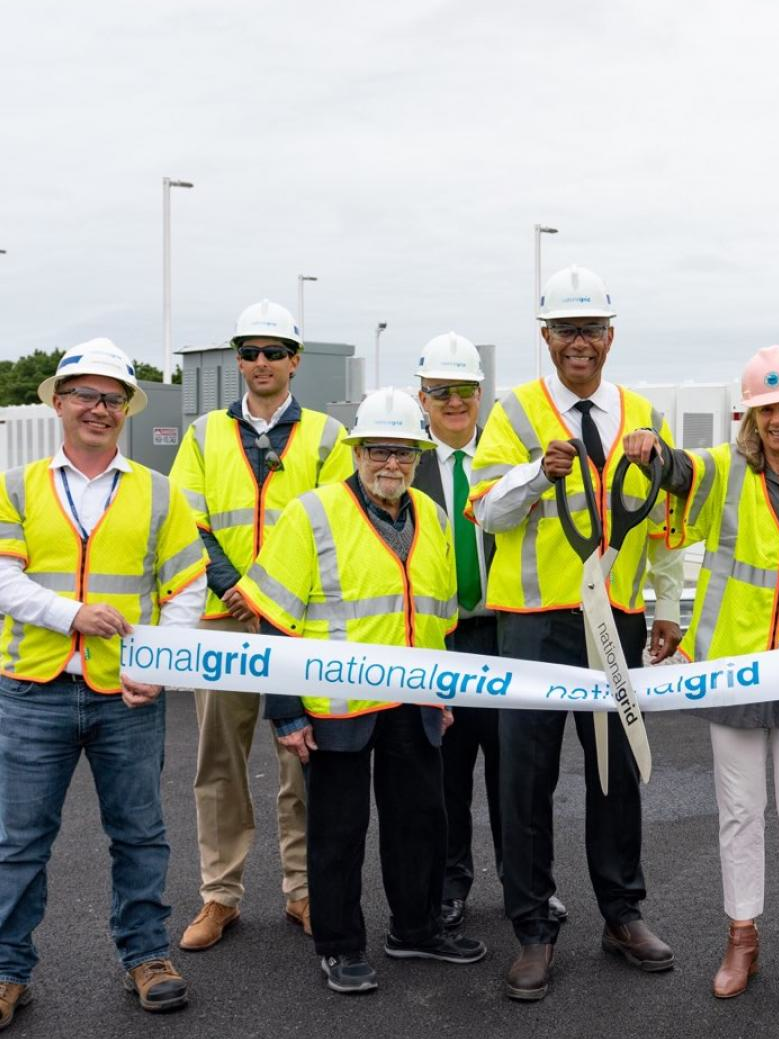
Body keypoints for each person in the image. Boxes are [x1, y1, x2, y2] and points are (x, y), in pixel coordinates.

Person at [622, 346, 779, 1002]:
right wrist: (652, 451)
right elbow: (679, 473)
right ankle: (742, 940)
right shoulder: (727, 474)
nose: (776, 420)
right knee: (739, 812)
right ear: (751, 418)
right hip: (733, 675)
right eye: (765, 410)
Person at [471, 265, 684, 1002]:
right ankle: (532, 927)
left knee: (615, 773)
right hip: (533, 626)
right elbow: (487, 513)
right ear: (546, 339)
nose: (579, 344)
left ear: (610, 337)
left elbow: (664, 527)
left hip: (615, 625)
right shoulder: (516, 412)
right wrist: (536, 472)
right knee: (524, 779)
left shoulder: (642, 414)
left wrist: (666, 607)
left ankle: (622, 913)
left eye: (591, 331)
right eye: (566, 332)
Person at [237, 388, 487, 994]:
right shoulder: (312, 513)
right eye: (379, 450)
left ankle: (416, 929)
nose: (391, 464)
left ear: (418, 456)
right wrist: (286, 711)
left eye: (403, 452)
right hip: (334, 707)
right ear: (356, 452)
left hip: (417, 701)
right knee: (338, 831)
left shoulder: (433, 515)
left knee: (421, 823)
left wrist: (443, 693)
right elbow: (275, 619)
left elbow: (437, 616)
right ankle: (340, 944)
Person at [0, 340, 207, 1025]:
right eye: (85, 394)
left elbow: (185, 586)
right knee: (18, 840)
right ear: (58, 402)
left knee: (141, 833)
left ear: (126, 410)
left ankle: (147, 956)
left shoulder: (160, 492)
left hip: (127, 696)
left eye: (112, 397)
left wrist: (159, 665)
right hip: (33, 687)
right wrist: (72, 615)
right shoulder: (15, 483)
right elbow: (4, 578)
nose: (98, 408)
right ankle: (6, 970)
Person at [169, 300, 351, 950]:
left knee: (302, 760)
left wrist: (270, 595)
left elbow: (334, 527)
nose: (261, 362)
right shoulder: (202, 436)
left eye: (275, 351)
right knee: (218, 764)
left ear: (296, 360)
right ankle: (220, 898)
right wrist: (236, 587)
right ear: (237, 359)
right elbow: (186, 522)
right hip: (223, 624)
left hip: (295, 627)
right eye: (250, 351)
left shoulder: (330, 437)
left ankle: (303, 893)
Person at [409, 332, 569, 931]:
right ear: (420, 397)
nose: (454, 402)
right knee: (446, 776)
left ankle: (526, 884)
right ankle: (451, 885)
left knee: (520, 775)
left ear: (481, 395)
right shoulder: (408, 464)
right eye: (441, 392)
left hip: (503, 634)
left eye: (465, 391)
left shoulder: (501, 458)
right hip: (441, 640)